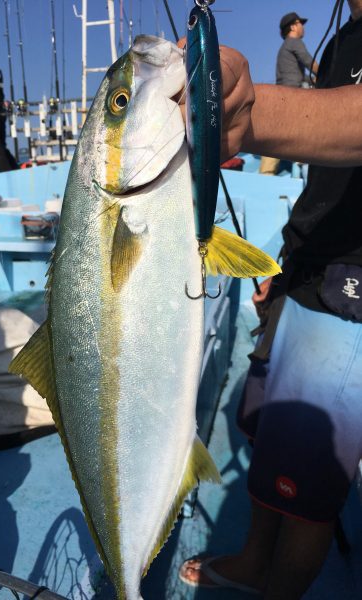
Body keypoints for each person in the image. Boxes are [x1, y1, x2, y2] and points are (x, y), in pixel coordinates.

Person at [178, 0, 362, 598]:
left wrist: (244, 108)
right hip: (304, 267)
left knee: (306, 484)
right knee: (264, 431)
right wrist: (283, 273)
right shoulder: (341, 41)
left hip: (351, 283)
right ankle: (257, 561)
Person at [259, 11, 319, 175]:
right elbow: (310, 62)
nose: (302, 27)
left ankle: (266, 174)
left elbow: (299, 75)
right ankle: (302, 168)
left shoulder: (284, 47)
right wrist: (327, 75)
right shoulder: (294, 42)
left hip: (282, 95)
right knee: (302, 133)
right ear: (293, 26)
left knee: (276, 135)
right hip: (293, 97)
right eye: (300, 23)